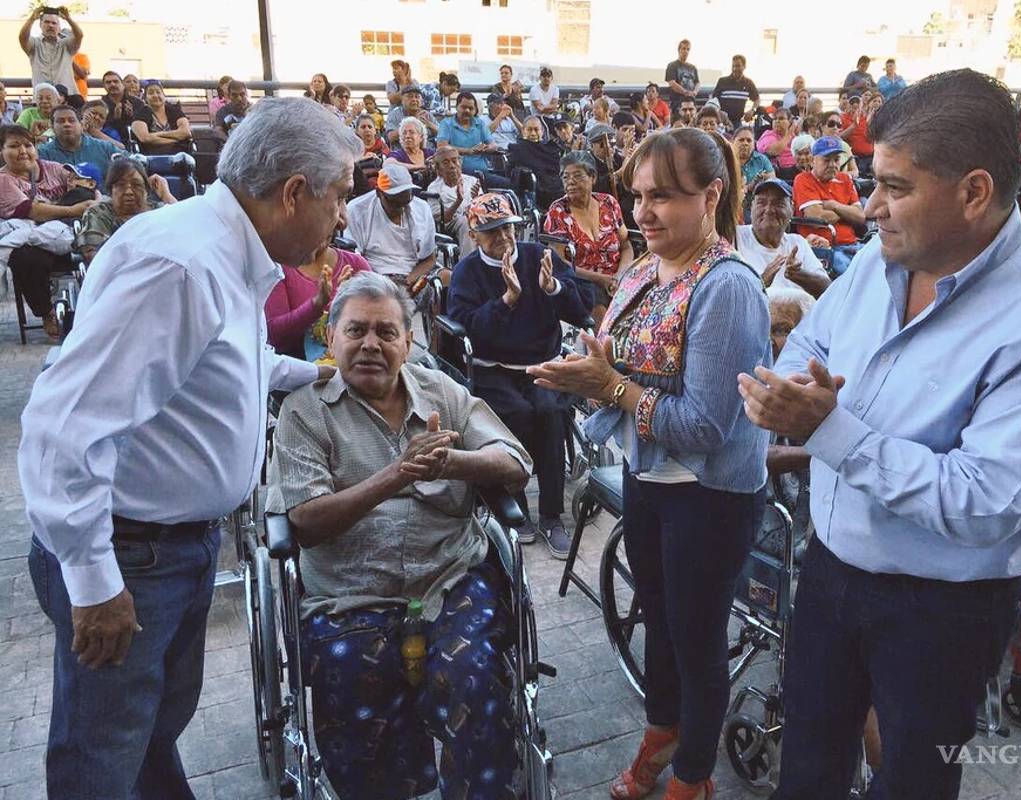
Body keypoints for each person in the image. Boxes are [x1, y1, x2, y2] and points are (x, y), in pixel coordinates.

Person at [739, 68, 1021, 800]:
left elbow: (988, 502)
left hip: (945, 610)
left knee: (913, 777)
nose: (868, 207)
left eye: (895, 187)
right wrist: (788, 392)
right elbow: (809, 345)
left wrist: (829, 430)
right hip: (834, 570)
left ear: (974, 193)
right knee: (809, 760)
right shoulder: (879, 264)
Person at [18, 96, 357, 800]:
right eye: (340, 196)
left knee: (146, 734)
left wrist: (322, 373)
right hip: (129, 555)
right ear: (295, 193)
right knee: (101, 757)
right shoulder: (183, 265)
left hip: (172, 547)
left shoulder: (224, 252)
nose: (344, 217)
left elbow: (234, 366)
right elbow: (62, 426)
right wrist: (93, 581)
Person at [527, 127, 770, 800]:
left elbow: (704, 425)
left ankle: (694, 773)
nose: (644, 212)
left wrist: (607, 388)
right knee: (659, 620)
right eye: (637, 195)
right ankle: (663, 729)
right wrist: (589, 367)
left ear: (712, 195)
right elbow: (621, 358)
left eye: (663, 196)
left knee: (696, 638)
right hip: (648, 477)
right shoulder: (642, 268)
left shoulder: (727, 288)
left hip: (707, 493)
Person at [267, 270, 532, 800]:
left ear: (410, 342)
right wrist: (397, 475)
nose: (371, 344)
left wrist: (451, 462)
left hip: (449, 578)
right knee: (354, 688)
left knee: (472, 676)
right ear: (331, 335)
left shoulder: (442, 391)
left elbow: (515, 461)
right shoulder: (304, 411)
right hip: (350, 593)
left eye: (387, 333)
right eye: (356, 330)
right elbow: (306, 522)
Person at [447, 193, 592, 556]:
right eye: (492, 232)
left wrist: (554, 289)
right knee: (517, 415)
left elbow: (581, 311)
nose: (503, 238)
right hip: (493, 368)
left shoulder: (536, 257)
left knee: (551, 412)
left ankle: (551, 515)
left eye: (507, 228)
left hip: (543, 361)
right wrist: (505, 303)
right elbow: (466, 330)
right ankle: (515, 501)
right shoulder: (467, 272)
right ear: (475, 235)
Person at [0, 123, 95, 339]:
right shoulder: (2, 180)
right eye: (14, 146)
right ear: (2, 151)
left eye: (28, 145)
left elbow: (88, 188)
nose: (23, 151)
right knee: (25, 257)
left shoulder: (52, 167)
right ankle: (46, 312)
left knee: (81, 194)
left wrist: (91, 200)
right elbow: (32, 211)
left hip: (69, 233)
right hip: (35, 241)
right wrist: (72, 209)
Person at [544, 150, 633, 320]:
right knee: (600, 309)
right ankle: (601, 345)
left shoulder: (608, 203)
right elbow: (561, 263)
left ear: (592, 177)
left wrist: (620, 276)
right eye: (565, 177)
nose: (570, 182)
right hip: (583, 280)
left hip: (618, 276)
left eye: (577, 176)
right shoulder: (558, 211)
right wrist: (602, 279)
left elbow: (626, 246)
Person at [264, 234, 371, 360]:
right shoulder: (279, 267)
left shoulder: (356, 264)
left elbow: (376, 316)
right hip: (298, 370)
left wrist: (345, 302)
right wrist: (317, 304)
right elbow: (275, 337)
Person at [735, 178, 830, 311]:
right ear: (751, 208)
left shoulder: (798, 243)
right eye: (761, 203)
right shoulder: (735, 238)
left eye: (778, 204)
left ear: (791, 208)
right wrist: (760, 283)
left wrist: (800, 275)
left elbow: (828, 290)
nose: (769, 210)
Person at [345, 160, 436, 292]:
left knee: (445, 278)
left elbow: (429, 258)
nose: (401, 208)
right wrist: (384, 283)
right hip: (374, 275)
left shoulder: (421, 208)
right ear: (378, 193)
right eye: (395, 203)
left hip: (412, 273)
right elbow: (353, 260)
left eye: (406, 201)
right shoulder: (357, 209)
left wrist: (408, 281)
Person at [74, 157, 177, 265]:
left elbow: (184, 235)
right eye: (121, 185)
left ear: (146, 190)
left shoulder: (159, 211)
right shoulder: (99, 213)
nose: (129, 192)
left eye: (137, 185)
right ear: (110, 191)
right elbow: (94, 255)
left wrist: (166, 195)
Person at [792, 135, 865, 274]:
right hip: (825, 248)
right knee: (852, 276)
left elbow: (861, 217)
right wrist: (847, 212)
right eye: (826, 160)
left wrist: (833, 205)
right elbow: (817, 218)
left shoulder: (845, 179)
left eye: (836, 160)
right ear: (813, 160)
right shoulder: (803, 180)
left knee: (881, 267)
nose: (832, 165)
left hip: (853, 243)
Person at [436, 92, 509, 188]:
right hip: (458, 173)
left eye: (471, 108)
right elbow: (442, 147)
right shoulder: (446, 123)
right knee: (507, 184)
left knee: (517, 183)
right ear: (457, 107)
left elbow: (493, 145)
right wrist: (468, 151)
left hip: (482, 172)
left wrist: (486, 148)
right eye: (464, 107)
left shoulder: (479, 123)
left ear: (475, 110)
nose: (467, 110)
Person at [38, 103, 122, 182]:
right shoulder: (43, 153)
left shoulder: (104, 148)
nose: (67, 124)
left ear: (81, 125)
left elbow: (129, 161)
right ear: (52, 127)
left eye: (71, 120)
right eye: (60, 121)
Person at [426, 145, 482, 256]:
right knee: (466, 222)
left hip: (475, 218)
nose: (452, 166)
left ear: (460, 163)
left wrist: (477, 200)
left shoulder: (471, 181)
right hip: (452, 223)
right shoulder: (434, 188)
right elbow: (442, 219)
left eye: (454, 161)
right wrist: (458, 201)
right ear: (438, 169)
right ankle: (468, 265)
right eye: (446, 163)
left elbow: (483, 208)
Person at [18, 6, 82, 96]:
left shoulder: (67, 44)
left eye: (54, 23)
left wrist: (68, 19)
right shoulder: (34, 44)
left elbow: (79, 36)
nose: (50, 25)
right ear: (40, 25)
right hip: (43, 98)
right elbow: (23, 37)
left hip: (68, 98)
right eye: (46, 22)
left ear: (59, 27)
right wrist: (32, 18)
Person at [509, 115, 566, 211]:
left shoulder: (550, 148)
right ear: (523, 131)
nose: (533, 133)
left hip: (556, 182)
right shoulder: (518, 149)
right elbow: (512, 171)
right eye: (529, 130)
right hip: (537, 187)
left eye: (536, 129)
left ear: (542, 132)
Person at [130, 82, 192, 155]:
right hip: (151, 155)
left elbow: (186, 132)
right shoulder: (140, 113)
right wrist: (176, 140)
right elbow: (145, 138)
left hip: (179, 154)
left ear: (164, 96)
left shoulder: (175, 111)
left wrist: (156, 135)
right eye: (151, 93)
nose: (155, 95)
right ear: (145, 98)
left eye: (158, 92)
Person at [101, 69, 146, 147]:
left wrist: (132, 116)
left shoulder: (137, 103)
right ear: (104, 86)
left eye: (116, 81)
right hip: (111, 144)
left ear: (122, 84)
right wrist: (115, 118)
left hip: (136, 143)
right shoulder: (100, 105)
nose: (112, 84)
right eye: (108, 82)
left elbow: (144, 126)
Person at [712, 55, 759, 124]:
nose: (734, 69)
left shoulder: (748, 83)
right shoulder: (722, 81)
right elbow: (714, 100)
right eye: (733, 66)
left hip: (737, 122)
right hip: (722, 122)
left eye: (738, 66)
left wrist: (752, 110)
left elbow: (757, 99)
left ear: (744, 66)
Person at [756, 108, 798, 179]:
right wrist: (789, 134)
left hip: (796, 169)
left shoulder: (795, 137)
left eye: (781, 118)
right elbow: (774, 151)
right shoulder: (768, 135)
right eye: (775, 119)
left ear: (790, 122)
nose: (777, 121)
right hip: (778, 172)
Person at [732, 125, 773, 197]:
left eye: (749, 140)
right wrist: (748, 187)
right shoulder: (726, 160)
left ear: (754, 144)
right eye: (741, 140)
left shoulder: (762, 160)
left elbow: (773, 179)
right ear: (733, 142)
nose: (745, 143)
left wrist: (763, 177)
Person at [840, 95, 874, 175]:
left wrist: (870, 124)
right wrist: (854, 126)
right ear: (848, 104)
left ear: (862, 105)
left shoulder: (866, 118)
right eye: (852, 102)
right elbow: (840, 137)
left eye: (857, 102)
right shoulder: (842, 118)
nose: (855, 104)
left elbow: (871, 138)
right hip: (856, 158)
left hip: (870, 157)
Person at [665, 39, 700, 112]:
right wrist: (685, 92)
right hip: (678, 102)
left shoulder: (693, 67)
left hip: (691, 102)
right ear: (679, 50)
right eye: (683, 48)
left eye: (688, 49)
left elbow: (697, 82)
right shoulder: (672, 65)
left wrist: (695, 92)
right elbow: (672, 83)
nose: (686, 51)